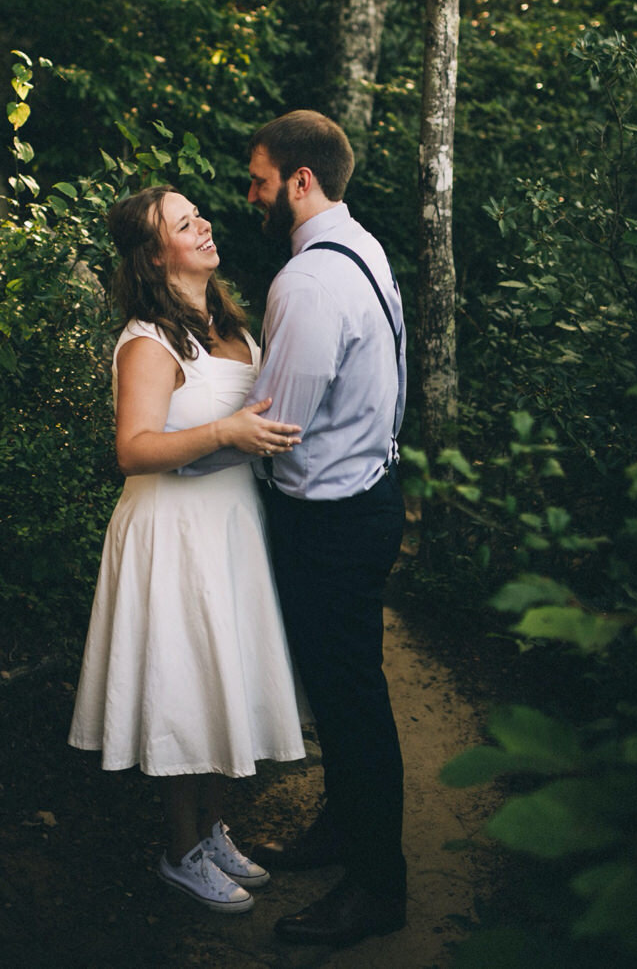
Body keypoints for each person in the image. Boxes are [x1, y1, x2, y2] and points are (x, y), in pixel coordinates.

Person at [69, 184, 307, 915]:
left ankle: (209, 832)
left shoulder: (229, 326)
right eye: (183, 222)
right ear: (154, 254)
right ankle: (178, 852)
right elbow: (133, 449)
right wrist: (226, 434)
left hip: (231, 524)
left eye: (197, 214)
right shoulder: (150, 338)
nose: (203, 224)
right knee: (185, 685)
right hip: (171, 531)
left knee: (223, 677)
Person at [226, 110, 410, 948]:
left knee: (352, 701)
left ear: (301, 180)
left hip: (329, 521)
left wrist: (208, 465)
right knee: (345, 699)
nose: (253, 194)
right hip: (368, 493)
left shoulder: (304, 283)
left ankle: (378, 888)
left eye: (261, 179)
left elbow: (279, 427)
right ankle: (343, 828)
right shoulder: (360, 246)